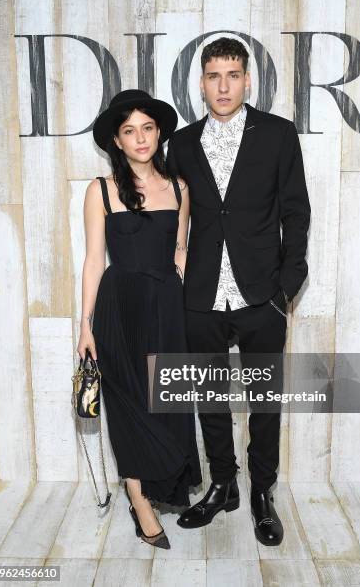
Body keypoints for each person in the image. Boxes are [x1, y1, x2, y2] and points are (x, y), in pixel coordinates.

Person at [167, 38, 311, 546]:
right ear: (201, 82)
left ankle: (261, 493)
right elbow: (173, 210)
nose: (223, 85)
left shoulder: (276, 134)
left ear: (248, 79)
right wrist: (175, 258)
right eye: (213, 76)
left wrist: (286, 289)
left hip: (261, 297)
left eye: (232, 74)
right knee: (208, 399)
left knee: (264, 402)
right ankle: (224, 484)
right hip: (201, 297)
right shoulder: (182, 143)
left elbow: (296, 211)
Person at [77, 89, 202, 550]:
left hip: (168, 306)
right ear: (117, 139)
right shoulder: (101, 190)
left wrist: (202, 307)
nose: (140, 137)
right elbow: (93, 260)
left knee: (166, 400)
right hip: (119, 307)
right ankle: (137, 495)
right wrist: (85, 324)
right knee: (128, 402)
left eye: (147, 127)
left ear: (158, 132)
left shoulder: (179, 188)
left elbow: (180, 252)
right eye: (129, 130)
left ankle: (161, 482)